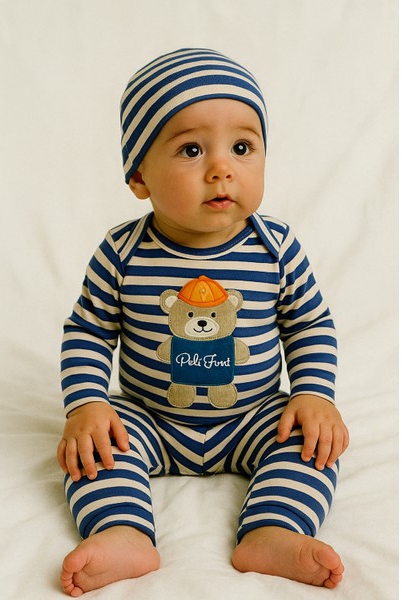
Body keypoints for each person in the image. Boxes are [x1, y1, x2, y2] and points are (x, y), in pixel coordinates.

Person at [57, 48, 349, 597]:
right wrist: (87, 404)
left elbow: (309, 325)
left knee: (311, 444)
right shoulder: (122, 253)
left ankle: (273, 530)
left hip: (253, 416)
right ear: (139, 176)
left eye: (243, 147)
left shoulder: (276, 248)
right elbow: (89, 331)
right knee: (96, 450)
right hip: (150, 418)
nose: (222, 169)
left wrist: (313, 394)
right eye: (191, 150)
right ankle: (122, 532)